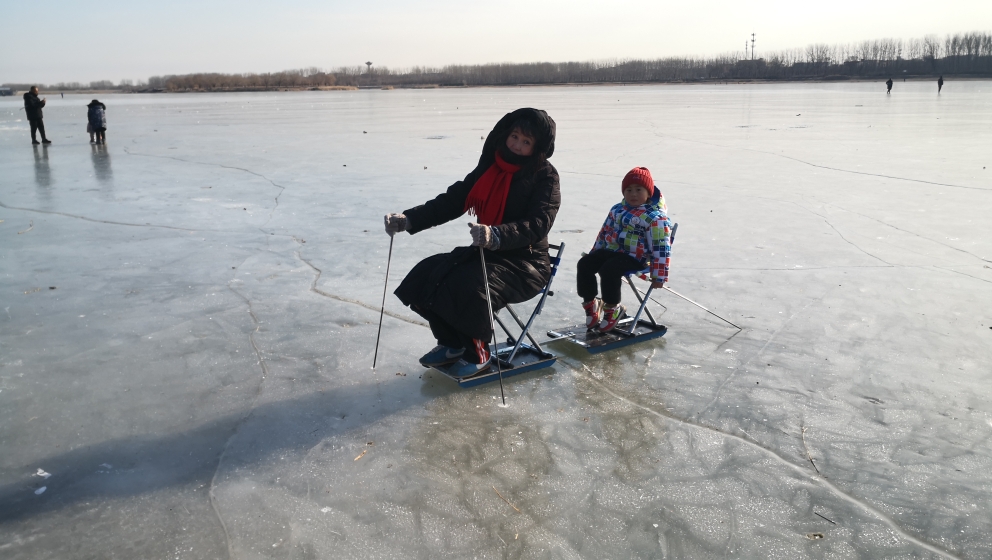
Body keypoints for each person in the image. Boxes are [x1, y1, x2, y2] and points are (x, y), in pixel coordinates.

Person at [384, 108, 559, 378]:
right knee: (427, 273)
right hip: (487, 253)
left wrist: (497, 235)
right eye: (514, 137)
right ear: (504, 135)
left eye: (526, 142)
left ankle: (478, 353)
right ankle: (452, 344)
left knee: (469, 285)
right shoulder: (489, 167)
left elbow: (539, 223)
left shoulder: (545, 175)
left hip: (526, 263)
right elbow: (454, 200)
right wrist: (409, 219)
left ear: (537, 148)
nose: (517, 145)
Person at [576, 167, 671, 333]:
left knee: (609, 270)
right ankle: (591, 303)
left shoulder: (656, 217)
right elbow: (604, 232)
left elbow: (661, 248)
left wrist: (659, 275)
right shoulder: (617, 209)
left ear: (648, 193)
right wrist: (594, 253)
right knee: (584, 264)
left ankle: (613, 308)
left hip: (637, 256)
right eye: (629, 190)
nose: (633, 194)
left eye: (638, 190)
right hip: (613, 251)